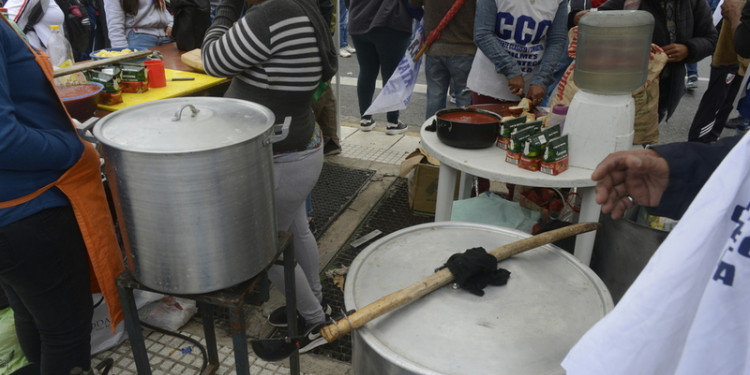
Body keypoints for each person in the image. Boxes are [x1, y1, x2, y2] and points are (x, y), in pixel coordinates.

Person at [202, 0, 337, 353]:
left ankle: (315, 323)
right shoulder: (303, 9)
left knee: (262, 247)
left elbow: (212, 60)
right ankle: (315, 305)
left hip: (277, 159)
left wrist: (227, 9)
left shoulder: (271, 15)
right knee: (296, 230)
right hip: (302, 147)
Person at [1, 15, 124, 375]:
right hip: (28, 214)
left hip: (15, 217)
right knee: (65, 331)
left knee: (32, 313)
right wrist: (72, 149)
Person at [594, 0, 718, 123]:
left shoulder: (694, 3)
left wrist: (688, 49)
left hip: (666, 86)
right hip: (625, 83)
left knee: (647, 131)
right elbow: (598, 22)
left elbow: (711, 39)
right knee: (614, 128)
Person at [467, 0, 569, 108]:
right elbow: (483, 34)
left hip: (530, 88)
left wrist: (541, 80)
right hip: (489, 84)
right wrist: (511, 69)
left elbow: (557, 40)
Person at [346, 0, 412, 135]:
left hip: (358, 20)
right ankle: (392, 121)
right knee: (391, 73)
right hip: (389, 21)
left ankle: (365, 118)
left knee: (366, 70)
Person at [687, 0, 747, 142]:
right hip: (730, 53)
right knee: (716, 100)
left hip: (741, 57)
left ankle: (710, 140)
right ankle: (700, 144)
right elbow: (728, 9)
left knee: (727, 101)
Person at [409, 0, 476, 119]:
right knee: (464, 97)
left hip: (435, 47)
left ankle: (432, 130)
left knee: (435, 96)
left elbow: (413, 3)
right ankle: (465, 134)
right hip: (465, 48)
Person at [104, 0, 173, 49]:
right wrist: (122, 53)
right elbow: (115, 25)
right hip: (138, 39)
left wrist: (171, 23)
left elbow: (160, 7)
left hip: (165, 37)